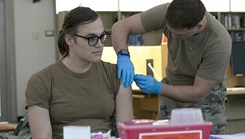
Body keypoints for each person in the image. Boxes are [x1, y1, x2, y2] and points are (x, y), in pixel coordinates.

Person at [111, 0, 231, 135]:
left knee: (208, 136)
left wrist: (158, 88)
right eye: (170, 31)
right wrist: (123, 55)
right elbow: (120, 27)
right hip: (172, 88)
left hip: (205, 99)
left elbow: (199, 92)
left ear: (199, 26)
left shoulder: (219, 42)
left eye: (179, 34)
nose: (173, 36)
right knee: (163, 136)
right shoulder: (167, 12)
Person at [25, 7, 134, 139]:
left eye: (102, 37)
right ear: (69, 40)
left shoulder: (116, 75)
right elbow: (42, 136)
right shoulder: (42, 81)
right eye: (91, 38)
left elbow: (127, 132)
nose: (99, 44)